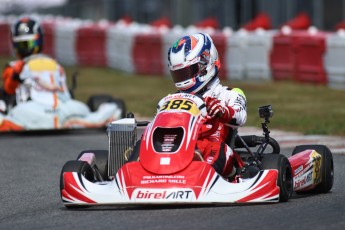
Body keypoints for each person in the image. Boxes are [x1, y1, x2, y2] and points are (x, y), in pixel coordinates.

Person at [0, 17, 120, 131]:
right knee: (104, 111)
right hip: (33, 108)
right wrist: (16, 73)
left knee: (110, 106)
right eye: (22, 45)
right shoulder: (14, 67)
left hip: (55, 108)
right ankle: (76, 121)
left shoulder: (54, 63)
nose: (26, 49)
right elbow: (8, 90)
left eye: (28, 44)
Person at [166, 32, 248, 178]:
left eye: (187, 72)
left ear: (206, 64)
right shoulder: (171, 99)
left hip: (213, 147)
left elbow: (240, 116)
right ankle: (132, 174)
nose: (183, 80)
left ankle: (204, 175)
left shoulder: (228, 94)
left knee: (217, 149)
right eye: (179, 74)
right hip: (177, 149)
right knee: (144, 143)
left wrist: (222, 111)